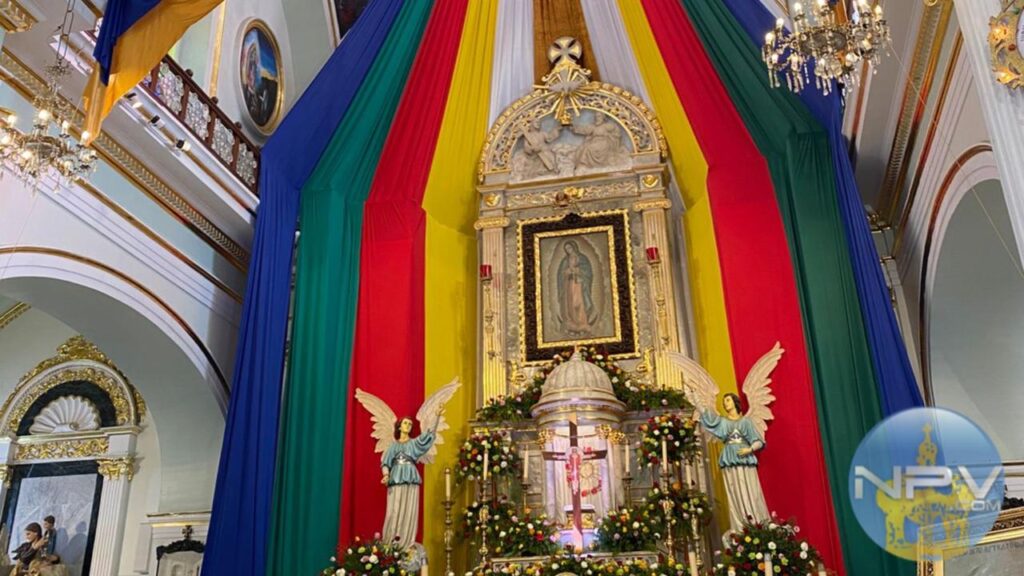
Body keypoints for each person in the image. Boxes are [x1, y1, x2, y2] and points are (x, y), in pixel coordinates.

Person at [380, 415, 438, 547]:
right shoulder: (393, 446)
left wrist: (438, 415)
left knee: (409, 510)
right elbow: (385, 463)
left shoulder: (414, 444)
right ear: (399, 426)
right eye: (405, 423)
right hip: (395, 478)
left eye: (410, 424)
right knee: (393, 511)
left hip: (411, 477)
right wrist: (386, 475)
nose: (408, 425)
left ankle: (406, 543)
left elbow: (430, 435)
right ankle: (390, 542)